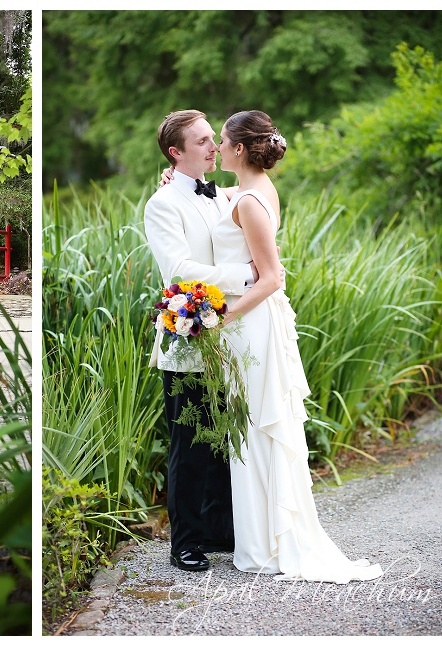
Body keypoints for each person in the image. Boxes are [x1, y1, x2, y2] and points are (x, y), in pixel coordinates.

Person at [176, 109, 383, 583]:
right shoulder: (254, 191)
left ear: (240, 149)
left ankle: (268, 544)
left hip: (249, 324)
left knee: (256, 427)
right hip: (250, 325)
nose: (217, 149)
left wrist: (219, 317)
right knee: (252, 428)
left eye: (222, 142)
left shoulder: (249, 202)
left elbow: (272, 278)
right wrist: (178, 178)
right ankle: (262, 536)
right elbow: (222, 196)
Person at [143, 110, 259, 572]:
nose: (215, 147)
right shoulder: (163, 204)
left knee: (221, 438)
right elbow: (178, 271)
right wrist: (246, 276)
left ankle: (217, 529)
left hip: (226, 335)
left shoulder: (219, 194)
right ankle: (185, 542)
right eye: (203, 142)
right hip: (185, 337)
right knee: (187, 445)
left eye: (214, 139)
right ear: (176, 152)